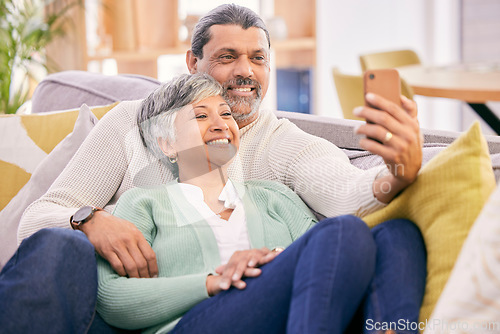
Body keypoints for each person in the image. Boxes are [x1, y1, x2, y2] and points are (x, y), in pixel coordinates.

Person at [0, 3, 424, 333]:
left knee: (394, 234)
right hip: (126, 308)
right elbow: (37, 223)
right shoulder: (134, 129)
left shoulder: (284, 149)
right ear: (193, 62)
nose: (245, 71)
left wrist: (398, 170)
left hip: (244, 301)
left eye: (258, 58)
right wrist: (90, 221)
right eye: (228, 57)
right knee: (63, 246)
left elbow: (346, 195)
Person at [96, 72, 425, 334]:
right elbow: (112, 298)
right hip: (196, 322)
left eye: (226, 114)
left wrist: (273, 261)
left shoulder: (272, 196)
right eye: (200, 116)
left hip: (285, 318)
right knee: (343, 231)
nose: (221, 123)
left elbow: (322, 257)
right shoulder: (144, 203)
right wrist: (215, 280)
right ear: (167, 143)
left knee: (398, 234)